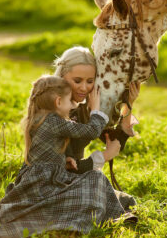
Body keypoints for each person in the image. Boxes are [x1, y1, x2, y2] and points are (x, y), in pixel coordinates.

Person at [0, 75, 133, 238]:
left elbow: (44, 152)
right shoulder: (54, 121)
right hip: (45, 183)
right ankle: (76, 219)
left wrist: (61, 160)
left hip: (35, 178)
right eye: (69, 102)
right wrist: (97, 110)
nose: (72, 107)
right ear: (58, 102)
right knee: (95, 178)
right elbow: (91, 131)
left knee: (91, 180)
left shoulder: (37, 117)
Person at [53, 46, 140, 208]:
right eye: (77, 81)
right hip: (56, 181)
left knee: (126, 202)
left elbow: (115, 140)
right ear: (62, 77)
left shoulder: (84, 108)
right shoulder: (54, 111)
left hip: (77, 176)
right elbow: (68, 167)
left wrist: (128, 103)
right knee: (103, 193)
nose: (84, 88)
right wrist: (105, 155)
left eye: (90, 81)